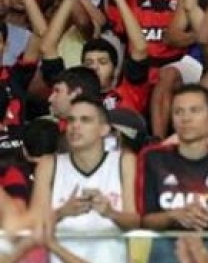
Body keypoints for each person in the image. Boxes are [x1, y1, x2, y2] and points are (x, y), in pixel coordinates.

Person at [138, 84, 208, 261]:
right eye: (179, 112)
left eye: (194, 110)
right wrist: (174, 216)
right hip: (165, 253)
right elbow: (145, 219)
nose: (186, 118)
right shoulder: (153, 159)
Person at [30, 97, 139, 262]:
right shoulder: (49, 164)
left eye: (85, 120)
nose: (75, 126)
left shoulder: (124, 161)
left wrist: (110, 213)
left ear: (104, 129)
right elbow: (32, 224)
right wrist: (63, 212)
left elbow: (135, 223)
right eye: (71, 120)